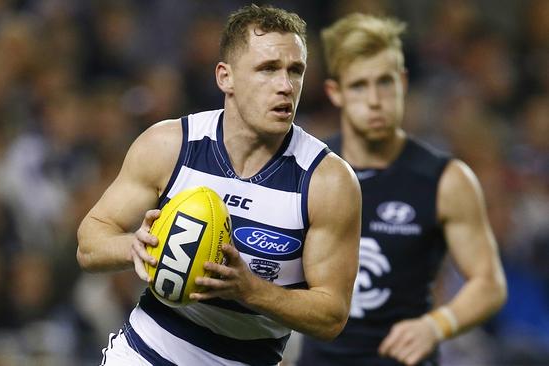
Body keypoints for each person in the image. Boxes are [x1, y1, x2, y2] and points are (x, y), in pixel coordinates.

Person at [76, 5, 362, 366]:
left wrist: (250, 290)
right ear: (225, 77)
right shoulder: (169, 145)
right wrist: (136, 247)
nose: (286, 86)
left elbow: (332, 315)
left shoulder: (328, 181)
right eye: (268, 69)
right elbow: (89, 243)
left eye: (296, 71)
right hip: (147, 351)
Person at [297, 13, 508, 366]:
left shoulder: (445, 179)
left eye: (385, 82)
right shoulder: (309, 170)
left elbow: (489, 283)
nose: (376, 100)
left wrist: (436, 325)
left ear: (404, 82)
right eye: (359, 86)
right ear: (335, 93)